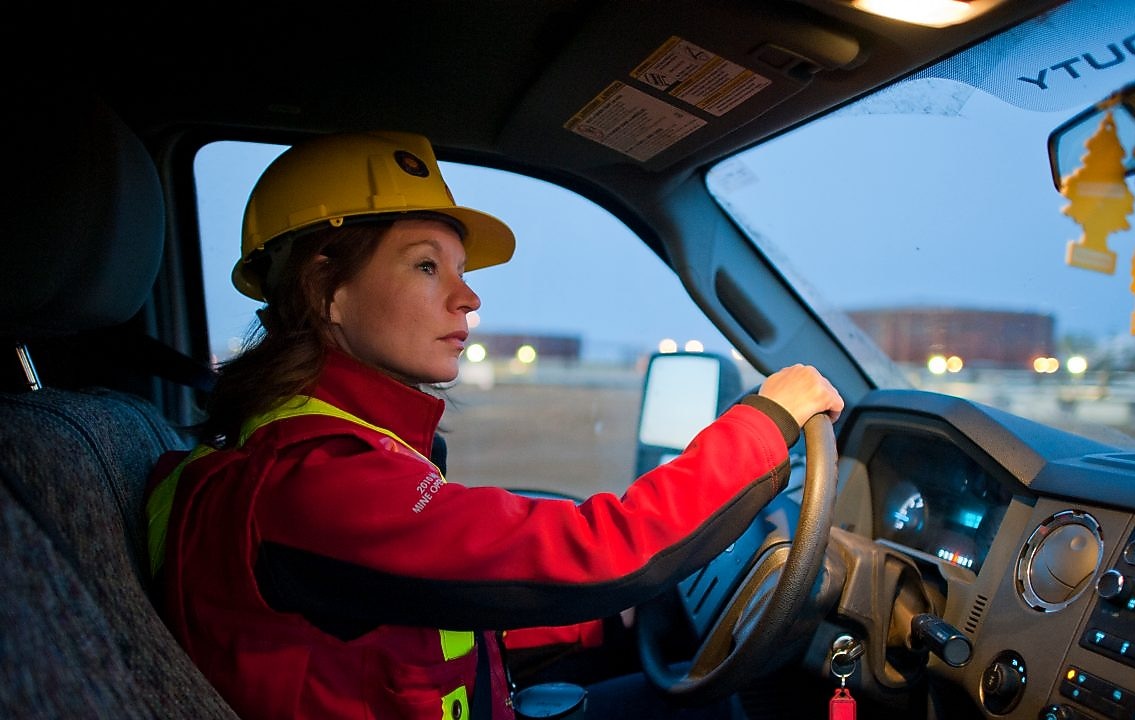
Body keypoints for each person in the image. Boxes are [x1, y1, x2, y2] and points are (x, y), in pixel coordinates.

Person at [144, 130, 844, 720]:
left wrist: (600, 619)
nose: (469, 296)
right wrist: (766, 419)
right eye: (427, 265)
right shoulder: (319, 481)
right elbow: (603, 551)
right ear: (325, 287)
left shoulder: (331, 449)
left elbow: (419, 622)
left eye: (459, 268)